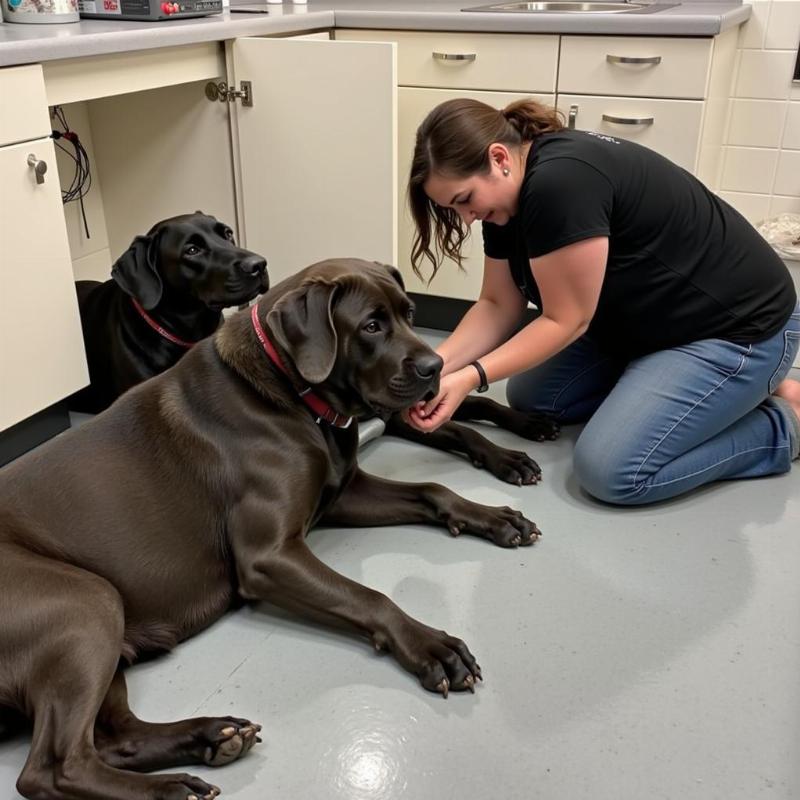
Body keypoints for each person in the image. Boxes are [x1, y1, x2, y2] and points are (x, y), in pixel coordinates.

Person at [404, 97, 800, 505]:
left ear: (499, 157)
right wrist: (430, 372)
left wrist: (471, 377)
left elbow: (566, 321)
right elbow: (497, 304)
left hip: (738, 331)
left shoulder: (561, 185)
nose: (466, 218)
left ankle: (781, 423)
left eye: (465, 200)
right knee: (535, 399)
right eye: (454, 208)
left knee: (612, 471)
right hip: (645, 326)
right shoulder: (505, 199)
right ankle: (700, 395)